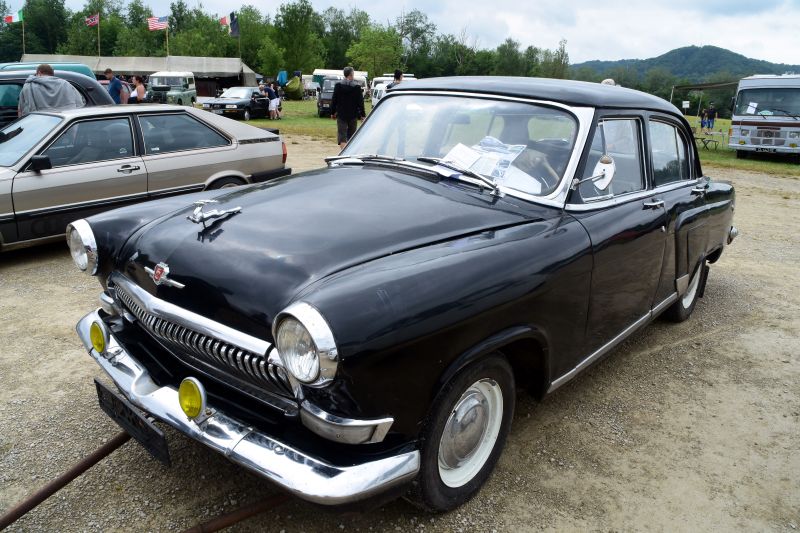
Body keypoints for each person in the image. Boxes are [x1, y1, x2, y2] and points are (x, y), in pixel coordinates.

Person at [17, 63, 85, 116]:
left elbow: (21, 110)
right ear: (52, 74)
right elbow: (79, 104)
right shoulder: (66, 84)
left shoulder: (28, 86)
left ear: (39, 73)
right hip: (64, 125)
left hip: (39, 124)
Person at [330, 66, 366, 149]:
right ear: (351, 75)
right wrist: (362, 115)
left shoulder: (338, 86)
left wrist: (332, 112)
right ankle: (349, 152)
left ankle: (343, 153)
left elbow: (334, 100)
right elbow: (360, 103)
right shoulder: (357, 87)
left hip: (341, 115)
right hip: (353, 115)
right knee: (352, 136)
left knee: (342, 135)